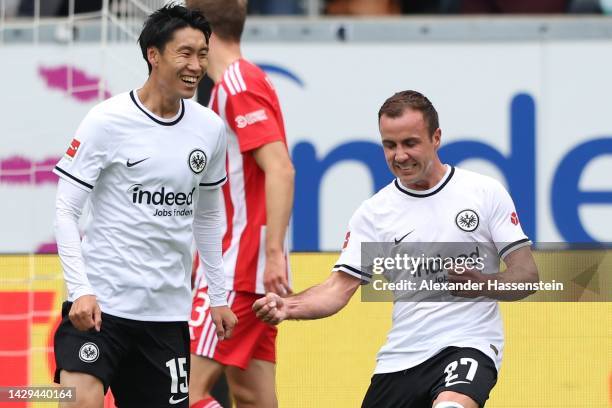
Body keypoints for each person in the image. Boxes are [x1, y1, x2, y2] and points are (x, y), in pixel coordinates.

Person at [254, 90, 539, 408]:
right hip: (400, 360)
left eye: (410, 143)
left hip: (469, 345)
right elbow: (337, 288)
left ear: (436, 138)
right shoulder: (374, 213)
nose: (400, 155)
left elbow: (526, 275)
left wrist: (482, 284)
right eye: (390, 145)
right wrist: (288, 307)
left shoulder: (483, 192)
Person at [51, 5, 237, 407]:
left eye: (202, 54)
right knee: (79, 401)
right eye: (184, 53)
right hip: (101, 308)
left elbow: (207, 216)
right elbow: (66, 210)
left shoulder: (209, 129)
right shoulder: (106, 121)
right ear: (154, 54)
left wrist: (218, 297)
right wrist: (80, 290)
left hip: (166, 316)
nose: (196, 65)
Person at [184, 1, 295, 407]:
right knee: (251, 396)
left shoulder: (236, 84)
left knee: (180, 394)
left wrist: (271, 254)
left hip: (235, 272)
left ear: (198, 32)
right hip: (247, 271)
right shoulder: (239, 82)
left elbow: (281, 169)